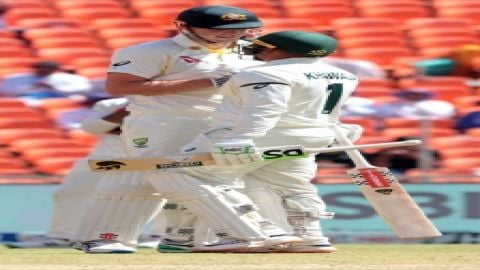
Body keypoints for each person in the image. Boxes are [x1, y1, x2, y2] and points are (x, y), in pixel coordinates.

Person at [74, 5, 300, 253]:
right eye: (217, 29)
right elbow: (119, 86)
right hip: (164, 121)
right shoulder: (152, 51)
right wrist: (208, 82)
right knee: (145, 177)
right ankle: (104, 237)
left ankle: (187, 238)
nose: (228, 34)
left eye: (238, 29)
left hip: (221, 122)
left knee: (211, 178)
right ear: (184, 27)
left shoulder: (249, 52)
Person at [175, 30, 361, 253]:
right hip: (311, 137)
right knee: (288, 186)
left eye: (262, 47)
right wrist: (336, 129)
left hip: (266, 136)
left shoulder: (266, 73)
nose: (257, 52)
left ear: (279, 50)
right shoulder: (342, 74)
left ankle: (247, 233)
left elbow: (264, 110)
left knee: (181, 172)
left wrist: (241, 138)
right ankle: (309, 236)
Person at [4, 97, 132, 250]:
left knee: (160, 193)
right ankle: (63, 236)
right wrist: (123, 115)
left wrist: (117, 127)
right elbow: (90, 128)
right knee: (70, 193)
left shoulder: (166, 102)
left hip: (151, 156)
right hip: (105, 156)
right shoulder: (111, 104)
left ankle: (158, 235)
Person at [0, 60, 92, 105]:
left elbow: (84, 89)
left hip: (62, 98)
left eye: (49, 68)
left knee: (79, 100)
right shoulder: (17, 78)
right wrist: (32, 87)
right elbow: (6, 91)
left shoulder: (70, 78)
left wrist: (53, 88)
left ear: (56, 69)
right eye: (41, 68)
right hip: (31, 99)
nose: (44, 70)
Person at [367, 136, 442, 176]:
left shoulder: (429, 152)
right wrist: (387, 155)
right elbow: (377, 166)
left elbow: (437, 165)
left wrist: (412, 155)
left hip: (416, 175)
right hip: (392, 173)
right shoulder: (388, 152)